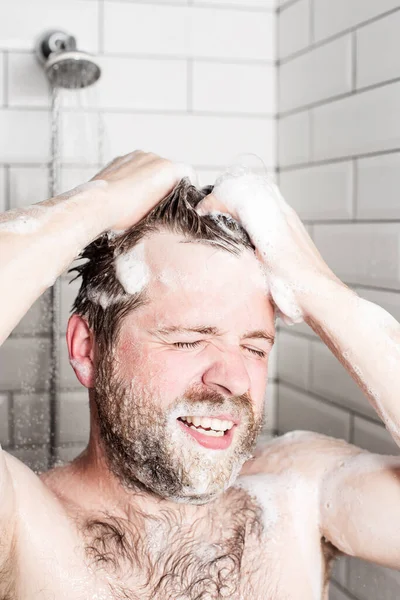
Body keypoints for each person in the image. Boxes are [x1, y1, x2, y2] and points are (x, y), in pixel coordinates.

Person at [0, 150, 399, 600]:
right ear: (88, 349)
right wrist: (95, 203)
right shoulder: (22, 528)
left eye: (254, 347)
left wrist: (316, 286)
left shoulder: (299, 493)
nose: (235, 378)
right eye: (189, 340)